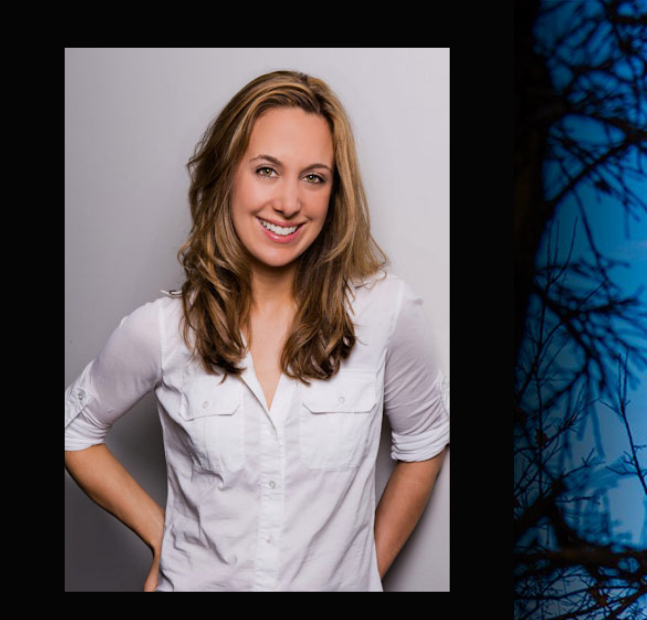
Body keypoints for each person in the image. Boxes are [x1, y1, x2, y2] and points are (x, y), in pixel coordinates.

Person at [64, 69, 450, 591]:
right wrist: (163, 536)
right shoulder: (160, 330)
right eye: (267, 170)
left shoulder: (387, 313)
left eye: (314, 177)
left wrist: (361, 577)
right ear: (227, 174)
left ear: (335, 194)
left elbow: (424, 443)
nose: (289, 202)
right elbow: (74, 431)